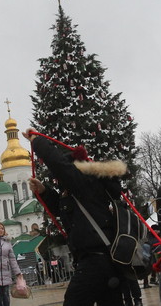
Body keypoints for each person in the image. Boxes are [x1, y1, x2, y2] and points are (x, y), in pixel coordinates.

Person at [23, 128, 128, 306]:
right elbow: (61, 210)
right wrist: (44, 191)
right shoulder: (78, 193)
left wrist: (37, 141)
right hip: (101, 261)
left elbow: (59, 165)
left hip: (96, 260)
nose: (58, 179)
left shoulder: (85, 183)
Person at [0, 222, 24, 306]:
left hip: (6, 272)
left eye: (2, 228)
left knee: (6, 296)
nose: (1, 230)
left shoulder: (7, 242)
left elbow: (12, 258)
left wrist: (18, 272)